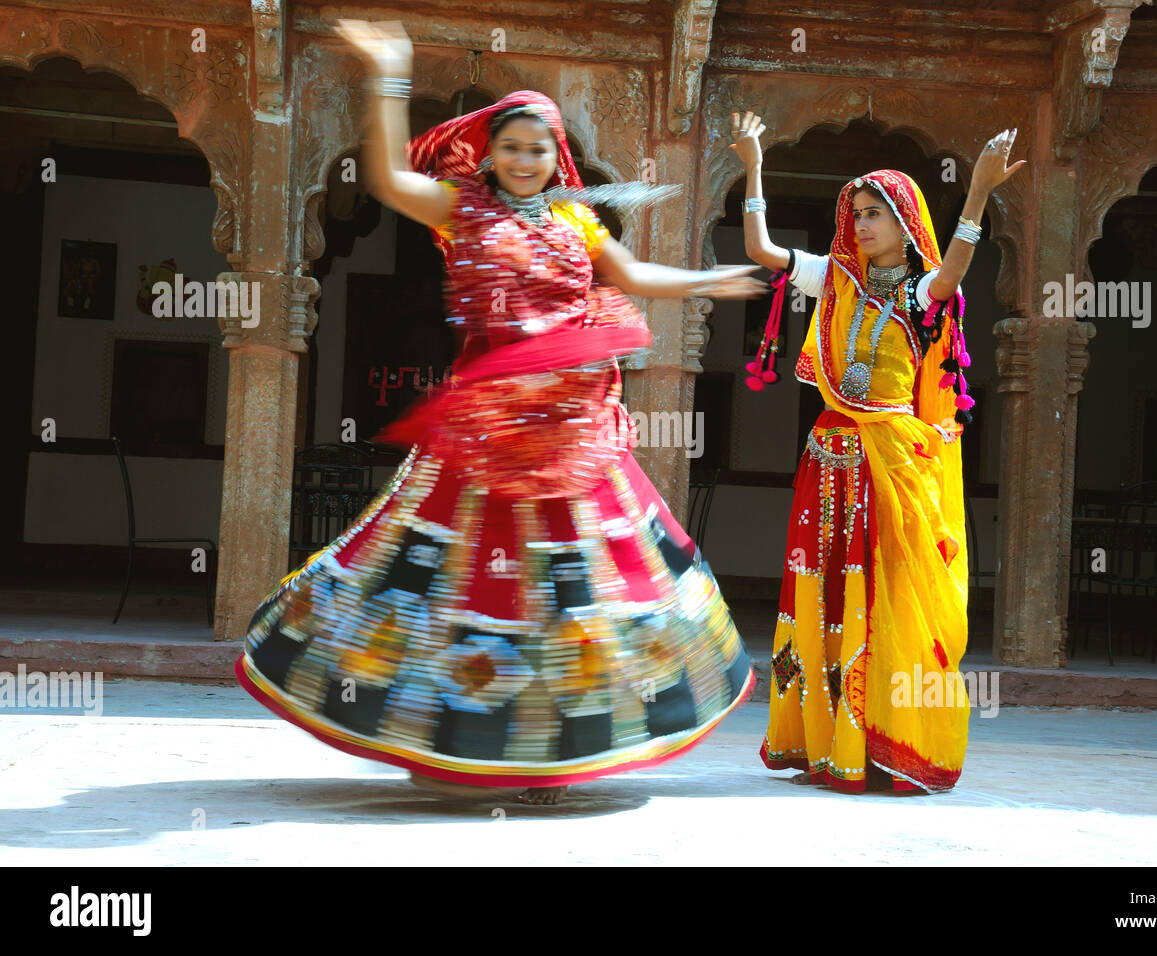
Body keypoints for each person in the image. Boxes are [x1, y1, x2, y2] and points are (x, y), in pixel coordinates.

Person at [235, 19, 764, 807]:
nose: (524, 160)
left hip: (572, 440)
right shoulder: (460, 212)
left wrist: (706, 282)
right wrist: (392, 71)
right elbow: (386, 177)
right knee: (454, 591)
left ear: (559, 160)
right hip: (482, 440)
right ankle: (448, 741)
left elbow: (633, 276)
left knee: (569, 597)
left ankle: (550, 757)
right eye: (511, 147)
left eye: (539, 149)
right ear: (490, 154)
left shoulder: (577, 223)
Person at [730, 111, 1024, 793]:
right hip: (826, 460)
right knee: (822, 594)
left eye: (876, 214)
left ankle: (878, 743)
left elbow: (955, 268)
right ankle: (823, 744)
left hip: (886, 468)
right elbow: (764, 248)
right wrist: (753, 166)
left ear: (905, 221)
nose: (861, 225)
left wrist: (978, 191)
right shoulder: (835, 279)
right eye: (856, 213)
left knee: (880, 598)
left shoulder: (922, 293)